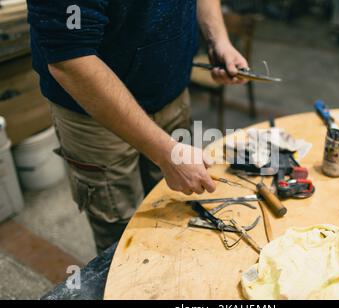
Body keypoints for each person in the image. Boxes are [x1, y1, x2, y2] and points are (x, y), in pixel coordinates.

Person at [27, 0, 249, 252]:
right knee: (121, 233)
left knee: (179, 206)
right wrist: (167, 153)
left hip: (170, 92)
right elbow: (71, 61)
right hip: (96, 117)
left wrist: (217, 39)